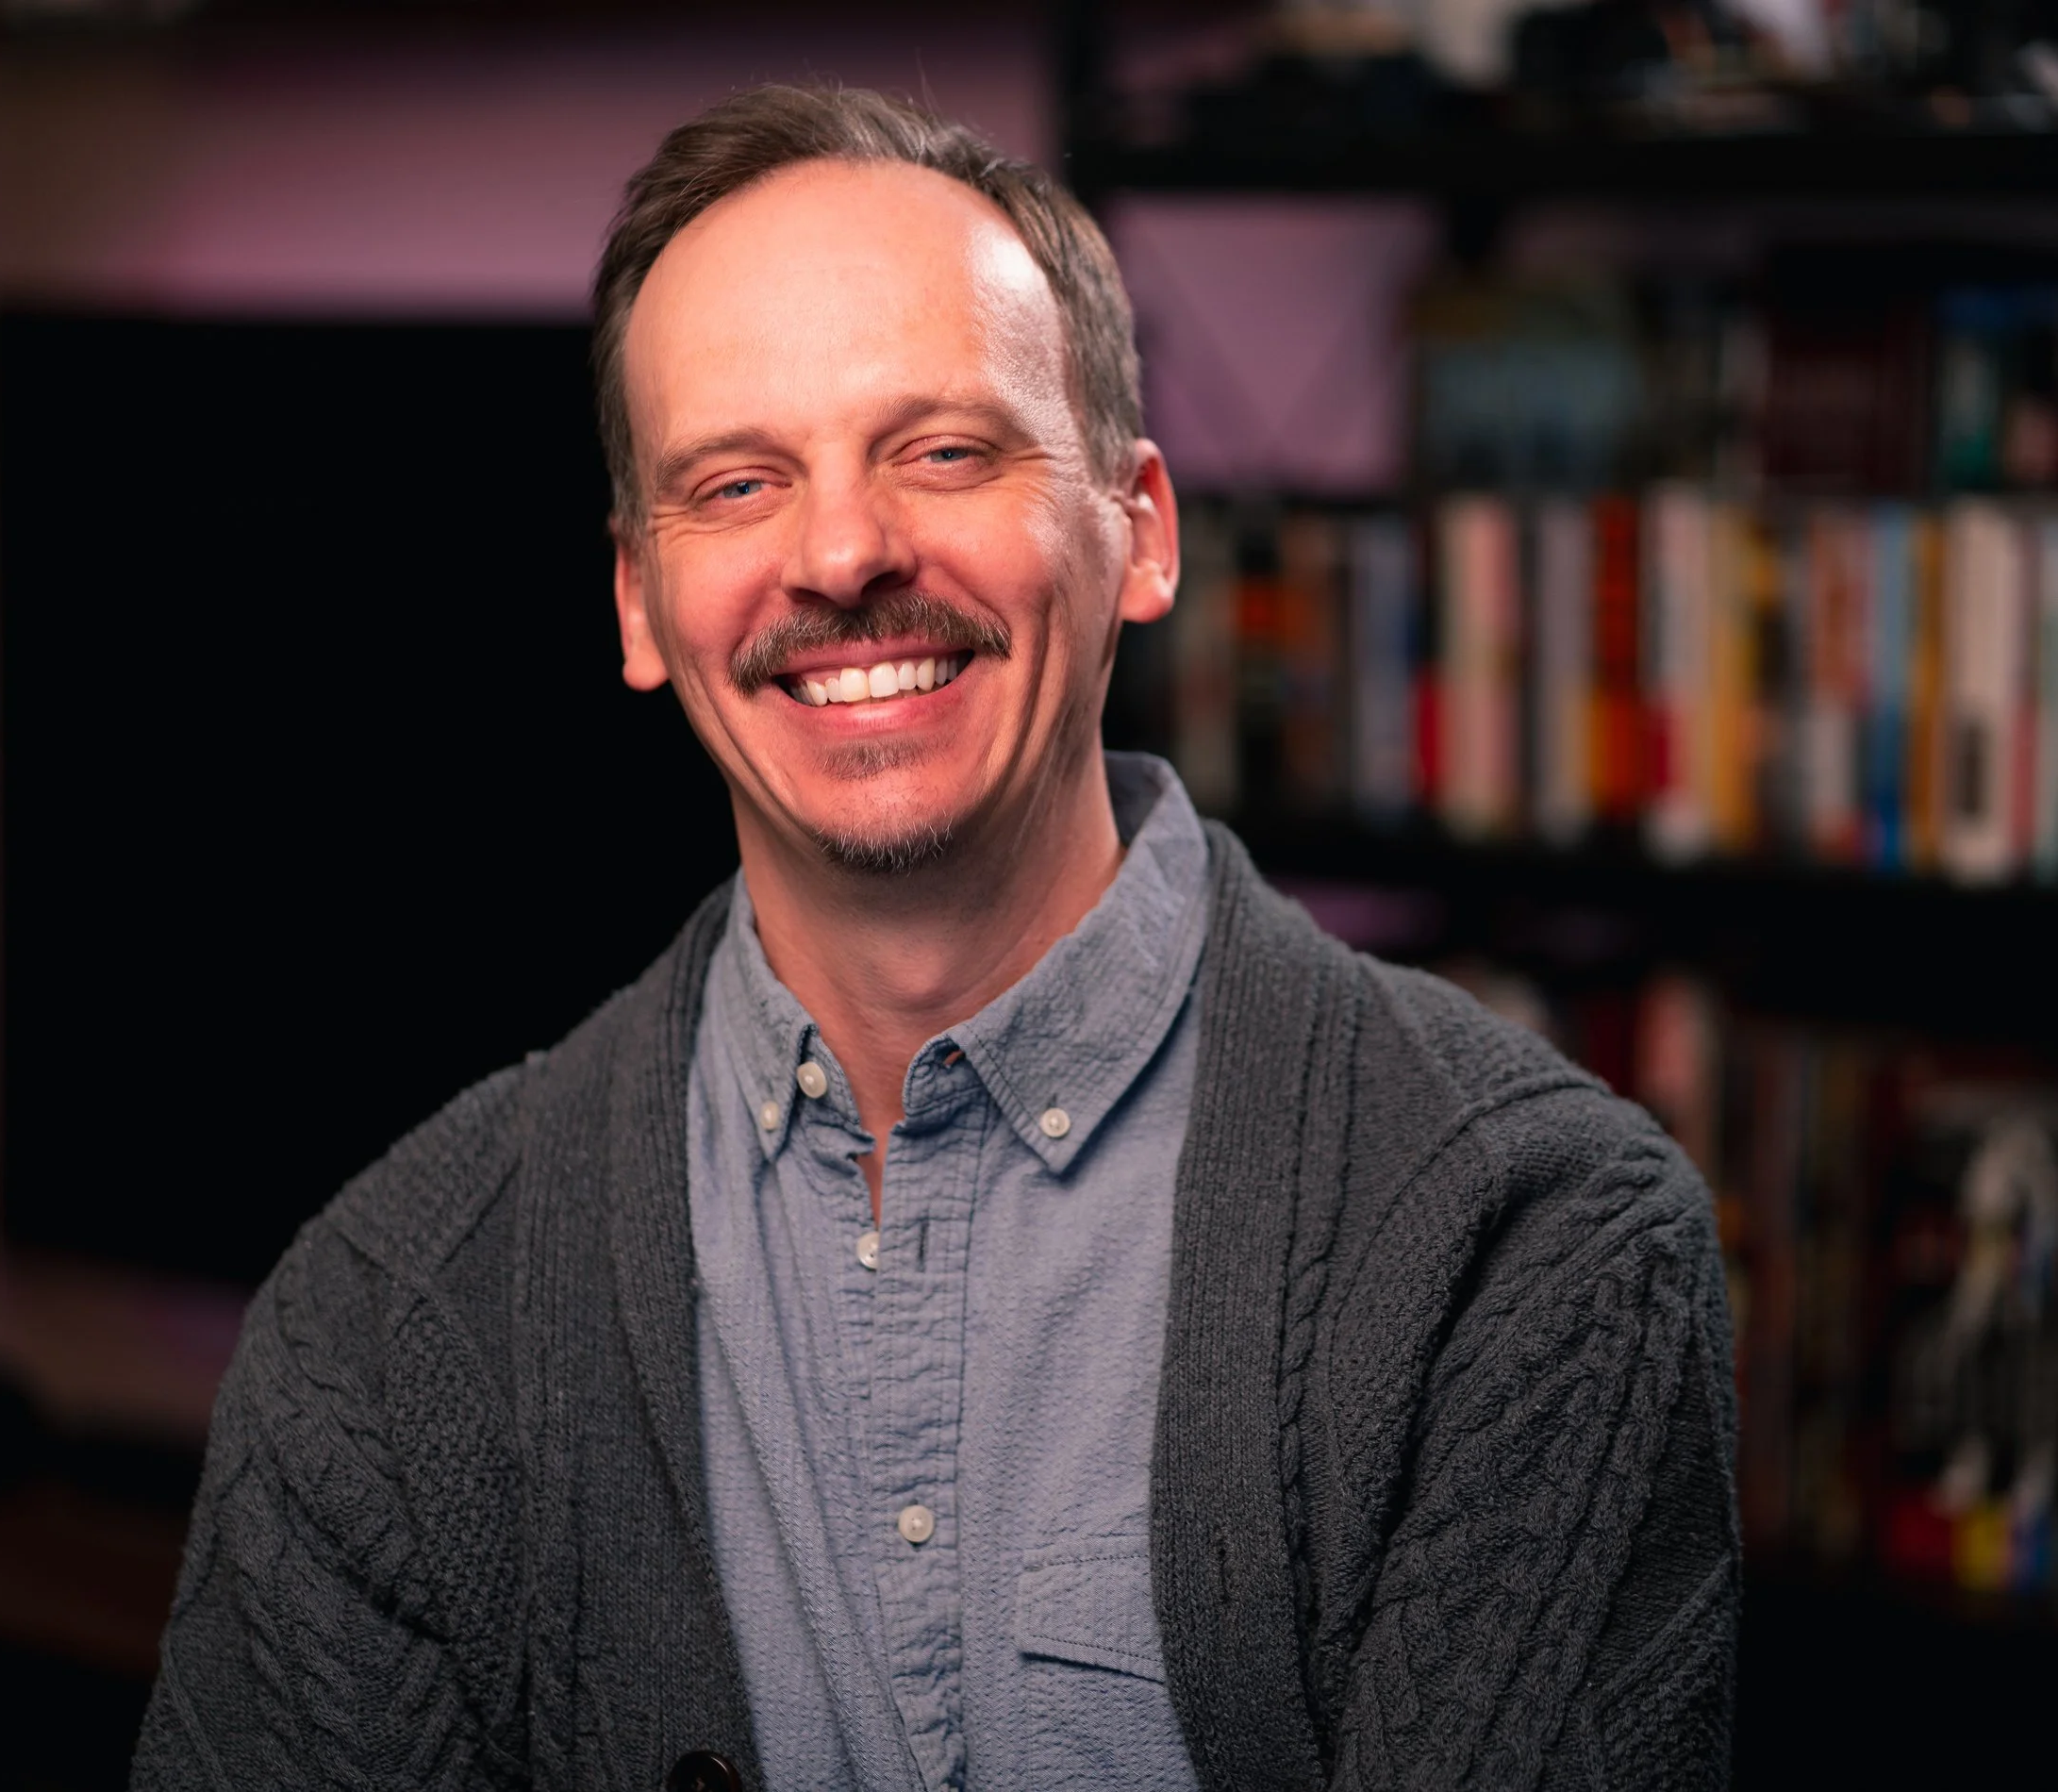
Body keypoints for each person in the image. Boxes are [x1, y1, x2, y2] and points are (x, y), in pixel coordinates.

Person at [131, 86, 1737, 1792]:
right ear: (635, 603)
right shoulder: (392, 1325)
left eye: (946, 450)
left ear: (1140, 530)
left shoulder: (1536, 1254)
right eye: (738, 483)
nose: (841, 554)